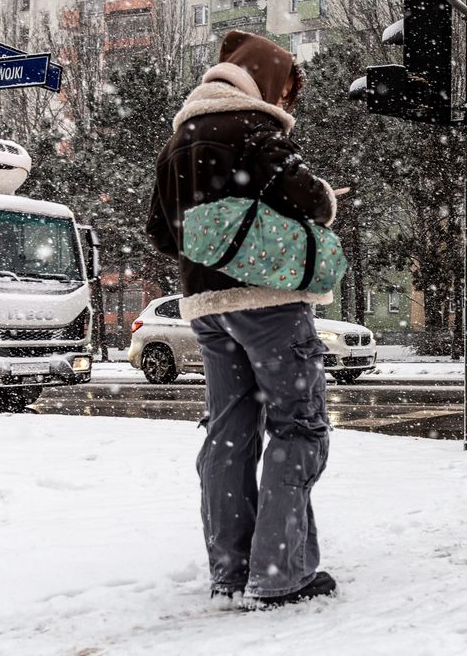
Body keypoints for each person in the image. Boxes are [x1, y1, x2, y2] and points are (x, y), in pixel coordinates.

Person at [147, 30, 341, 607]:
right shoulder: (254, 130)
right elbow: (309, 199)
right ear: (265, 82)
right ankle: (281, 575)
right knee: (298, 426)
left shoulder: (178, 139)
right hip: (268, 303)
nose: (286, 106)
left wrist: (216, 233)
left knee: (229, 434)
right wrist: (325, 200)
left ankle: (230, 571)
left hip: (205, 309)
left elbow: (161, 232)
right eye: (286, 92)